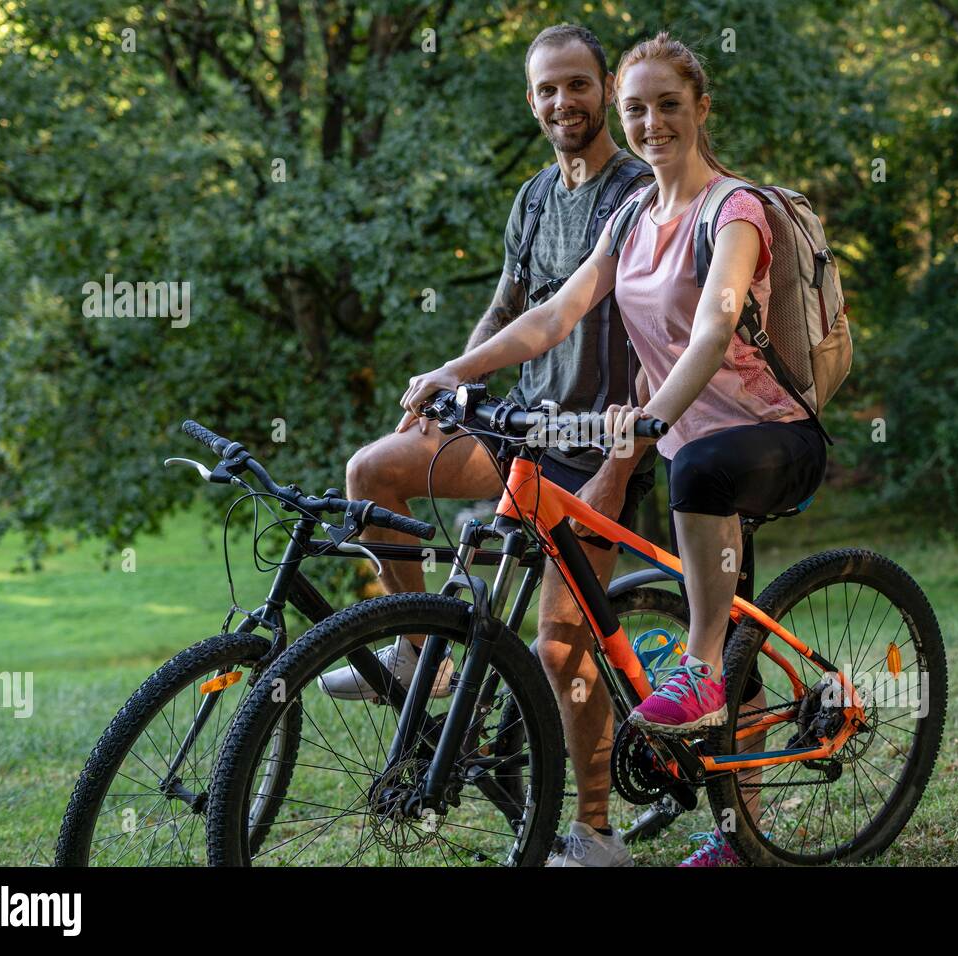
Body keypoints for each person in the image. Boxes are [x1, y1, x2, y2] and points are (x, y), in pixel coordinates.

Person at [401, 32, 828, 866]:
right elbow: (551, 315)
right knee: (698, 527)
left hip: (770, 437)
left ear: (701, 108)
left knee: (701, 474)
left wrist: (651, 420)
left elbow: (713, 324)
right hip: (687, 445)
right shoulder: (633, 212)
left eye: (669, 104)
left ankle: (700, 673)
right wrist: (454, 367)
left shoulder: (732, 210)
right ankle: (739, 830)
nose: (651, 122)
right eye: (637, 108)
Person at [325, 24, 656, 866]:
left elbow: (664, 343)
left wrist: (622, 467)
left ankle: (593, 831)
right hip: (522, 435)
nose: (562, 103)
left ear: (605, 86)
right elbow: (509, 310)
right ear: (531, 99)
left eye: (577, 85)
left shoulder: (639, 194)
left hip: (599, 447)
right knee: (373, 471)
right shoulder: (534, 198)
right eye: (546, 89)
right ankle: (417, 659)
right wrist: (455, 392)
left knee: (557, 648)